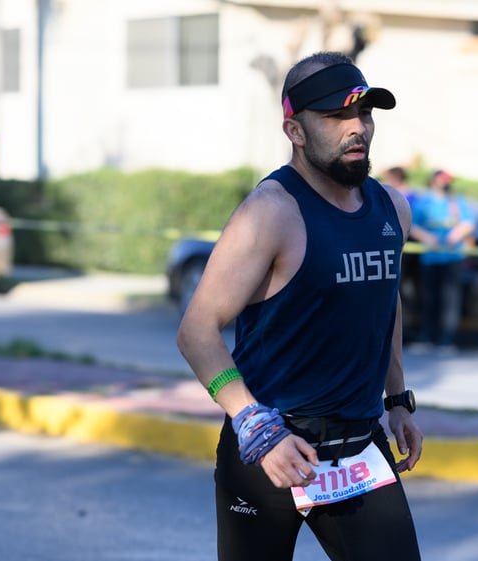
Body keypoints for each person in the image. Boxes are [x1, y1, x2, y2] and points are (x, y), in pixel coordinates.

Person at [176, 51, 423, 561]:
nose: (357, 129)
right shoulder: (270, 212)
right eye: (336, 117)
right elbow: (198, 331)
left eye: (365, 114)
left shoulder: (391, 208)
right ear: (295, 130)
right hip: (273, 448)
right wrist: (254, 426)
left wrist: (396, 400)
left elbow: (384, 306)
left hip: (358, 449)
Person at [409, 169, 476, 351]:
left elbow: (468, 222)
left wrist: (456, 234)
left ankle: (446, 338)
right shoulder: (425, 201)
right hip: (431, 257)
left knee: (450, 299)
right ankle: (427, 336)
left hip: (453, 257)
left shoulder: (455, 201)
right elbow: (412, 225)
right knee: (428, 297)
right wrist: (427, 237)